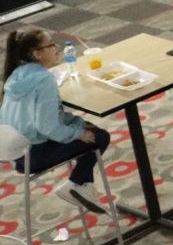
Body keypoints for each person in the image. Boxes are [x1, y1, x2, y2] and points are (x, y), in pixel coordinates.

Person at [1, 28, 111, 211]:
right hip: (34, 154)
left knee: (83, 127)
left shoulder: (17, 74)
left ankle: (82, 186)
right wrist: (78, 132)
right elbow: (47, 127)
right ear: (37, 54)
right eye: (51, 45)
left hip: (15, 152)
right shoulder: (44, 80)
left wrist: (77, 126)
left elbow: (44, 117)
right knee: (99, 136)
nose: (57, 48)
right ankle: (76, 184)